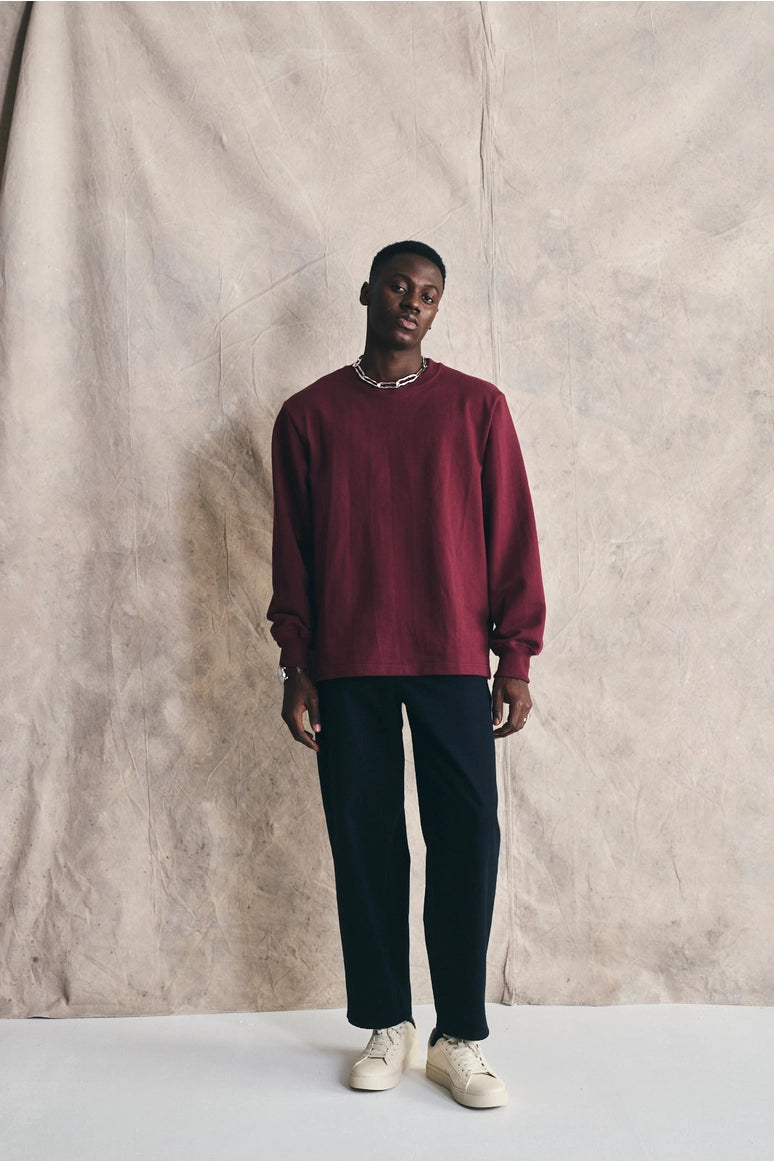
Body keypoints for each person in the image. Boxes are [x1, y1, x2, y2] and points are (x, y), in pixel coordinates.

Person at [267, 241, 545, 1109]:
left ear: (437, 307)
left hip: (453, 656)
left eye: (428, 293)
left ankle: (457, 1033)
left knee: (467, 837)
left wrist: (517, 656)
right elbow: (294, 551)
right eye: (398, 285)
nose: (413, 302)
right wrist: (297, 661)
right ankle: (387, 1020)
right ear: (368, 293)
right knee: (366, 839)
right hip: (348, 661)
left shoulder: (477, 407)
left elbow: (510, 534)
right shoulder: (309, 415)